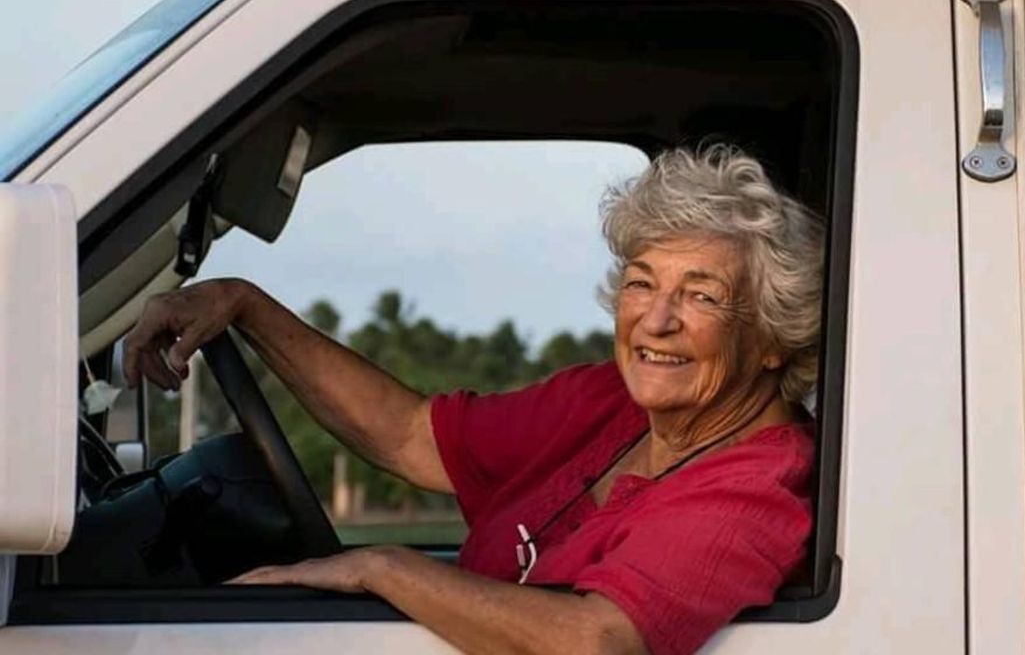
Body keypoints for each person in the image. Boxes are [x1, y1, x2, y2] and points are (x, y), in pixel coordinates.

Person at [123, 144, 825, 655]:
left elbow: (597, 642)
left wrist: (382, 567)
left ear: (772, 337)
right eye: (642, 282)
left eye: (701, 295)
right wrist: (244, 305)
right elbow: (409, 436)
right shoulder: (612, 404)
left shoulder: (758, 489)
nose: (656, 319)